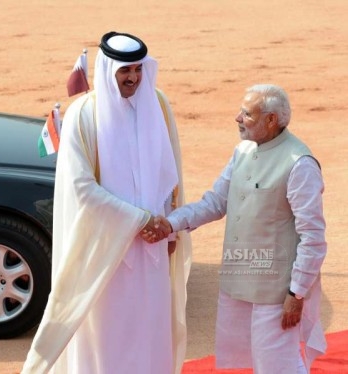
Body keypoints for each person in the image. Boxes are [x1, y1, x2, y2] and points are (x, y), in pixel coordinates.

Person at [21, 31, 192, 373]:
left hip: (153, 250)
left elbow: (170, 173)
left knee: (150, 334)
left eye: (138, 70)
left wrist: (169, 231)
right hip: (105, 251)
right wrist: (139, 220)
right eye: (125, 71)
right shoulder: (83, 115)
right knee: (108, 339)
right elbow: (82, 188)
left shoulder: (158, 104)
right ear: (109, 70)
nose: (132, 78)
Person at [146, 84, 327, 373]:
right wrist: (171, 223)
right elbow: (216, 201)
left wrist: (297, 294)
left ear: (271, 120)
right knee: (254, 361)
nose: (237, 118)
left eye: (247, 114)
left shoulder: (300, 164)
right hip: (239, 281)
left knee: (278, 364)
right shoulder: (242, 152)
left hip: (276, 290)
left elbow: (313, 237)